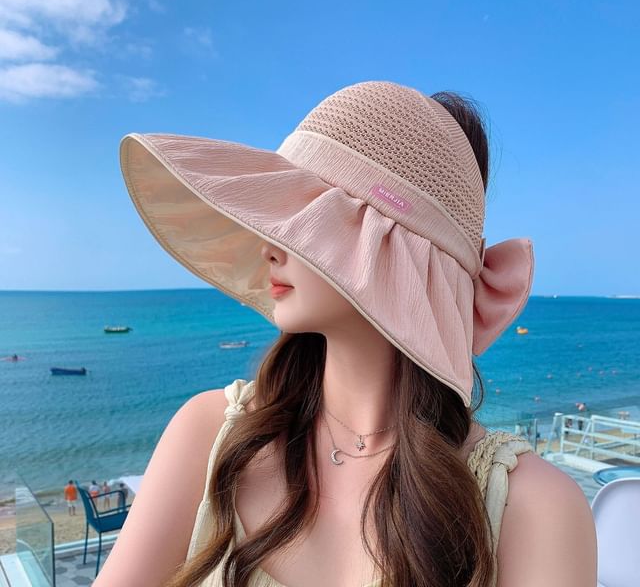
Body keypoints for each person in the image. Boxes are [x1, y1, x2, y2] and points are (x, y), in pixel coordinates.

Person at [95, 81, 596, 586]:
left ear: (391, 250)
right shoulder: (208, 434)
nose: (270, 245)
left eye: (307, 216)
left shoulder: (534, 508)